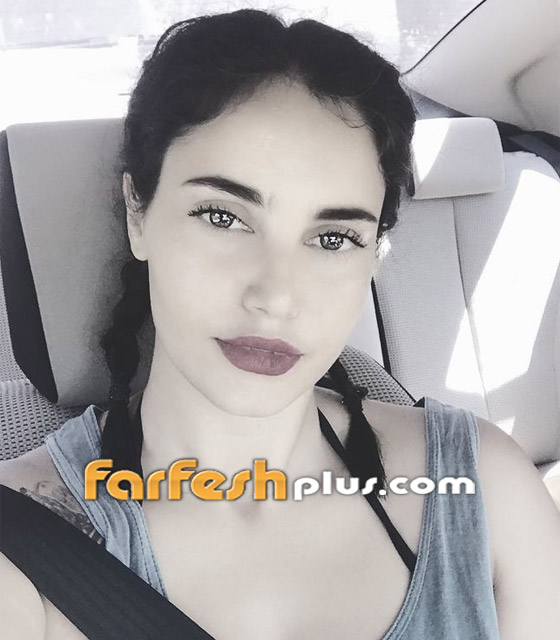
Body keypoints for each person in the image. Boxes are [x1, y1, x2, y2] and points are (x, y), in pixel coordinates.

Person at [1, 8, 560, 640]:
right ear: (138, 212)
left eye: (333, 237)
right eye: (223, 217)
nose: (276, 297)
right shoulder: (22, 546)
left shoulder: (483, 487)